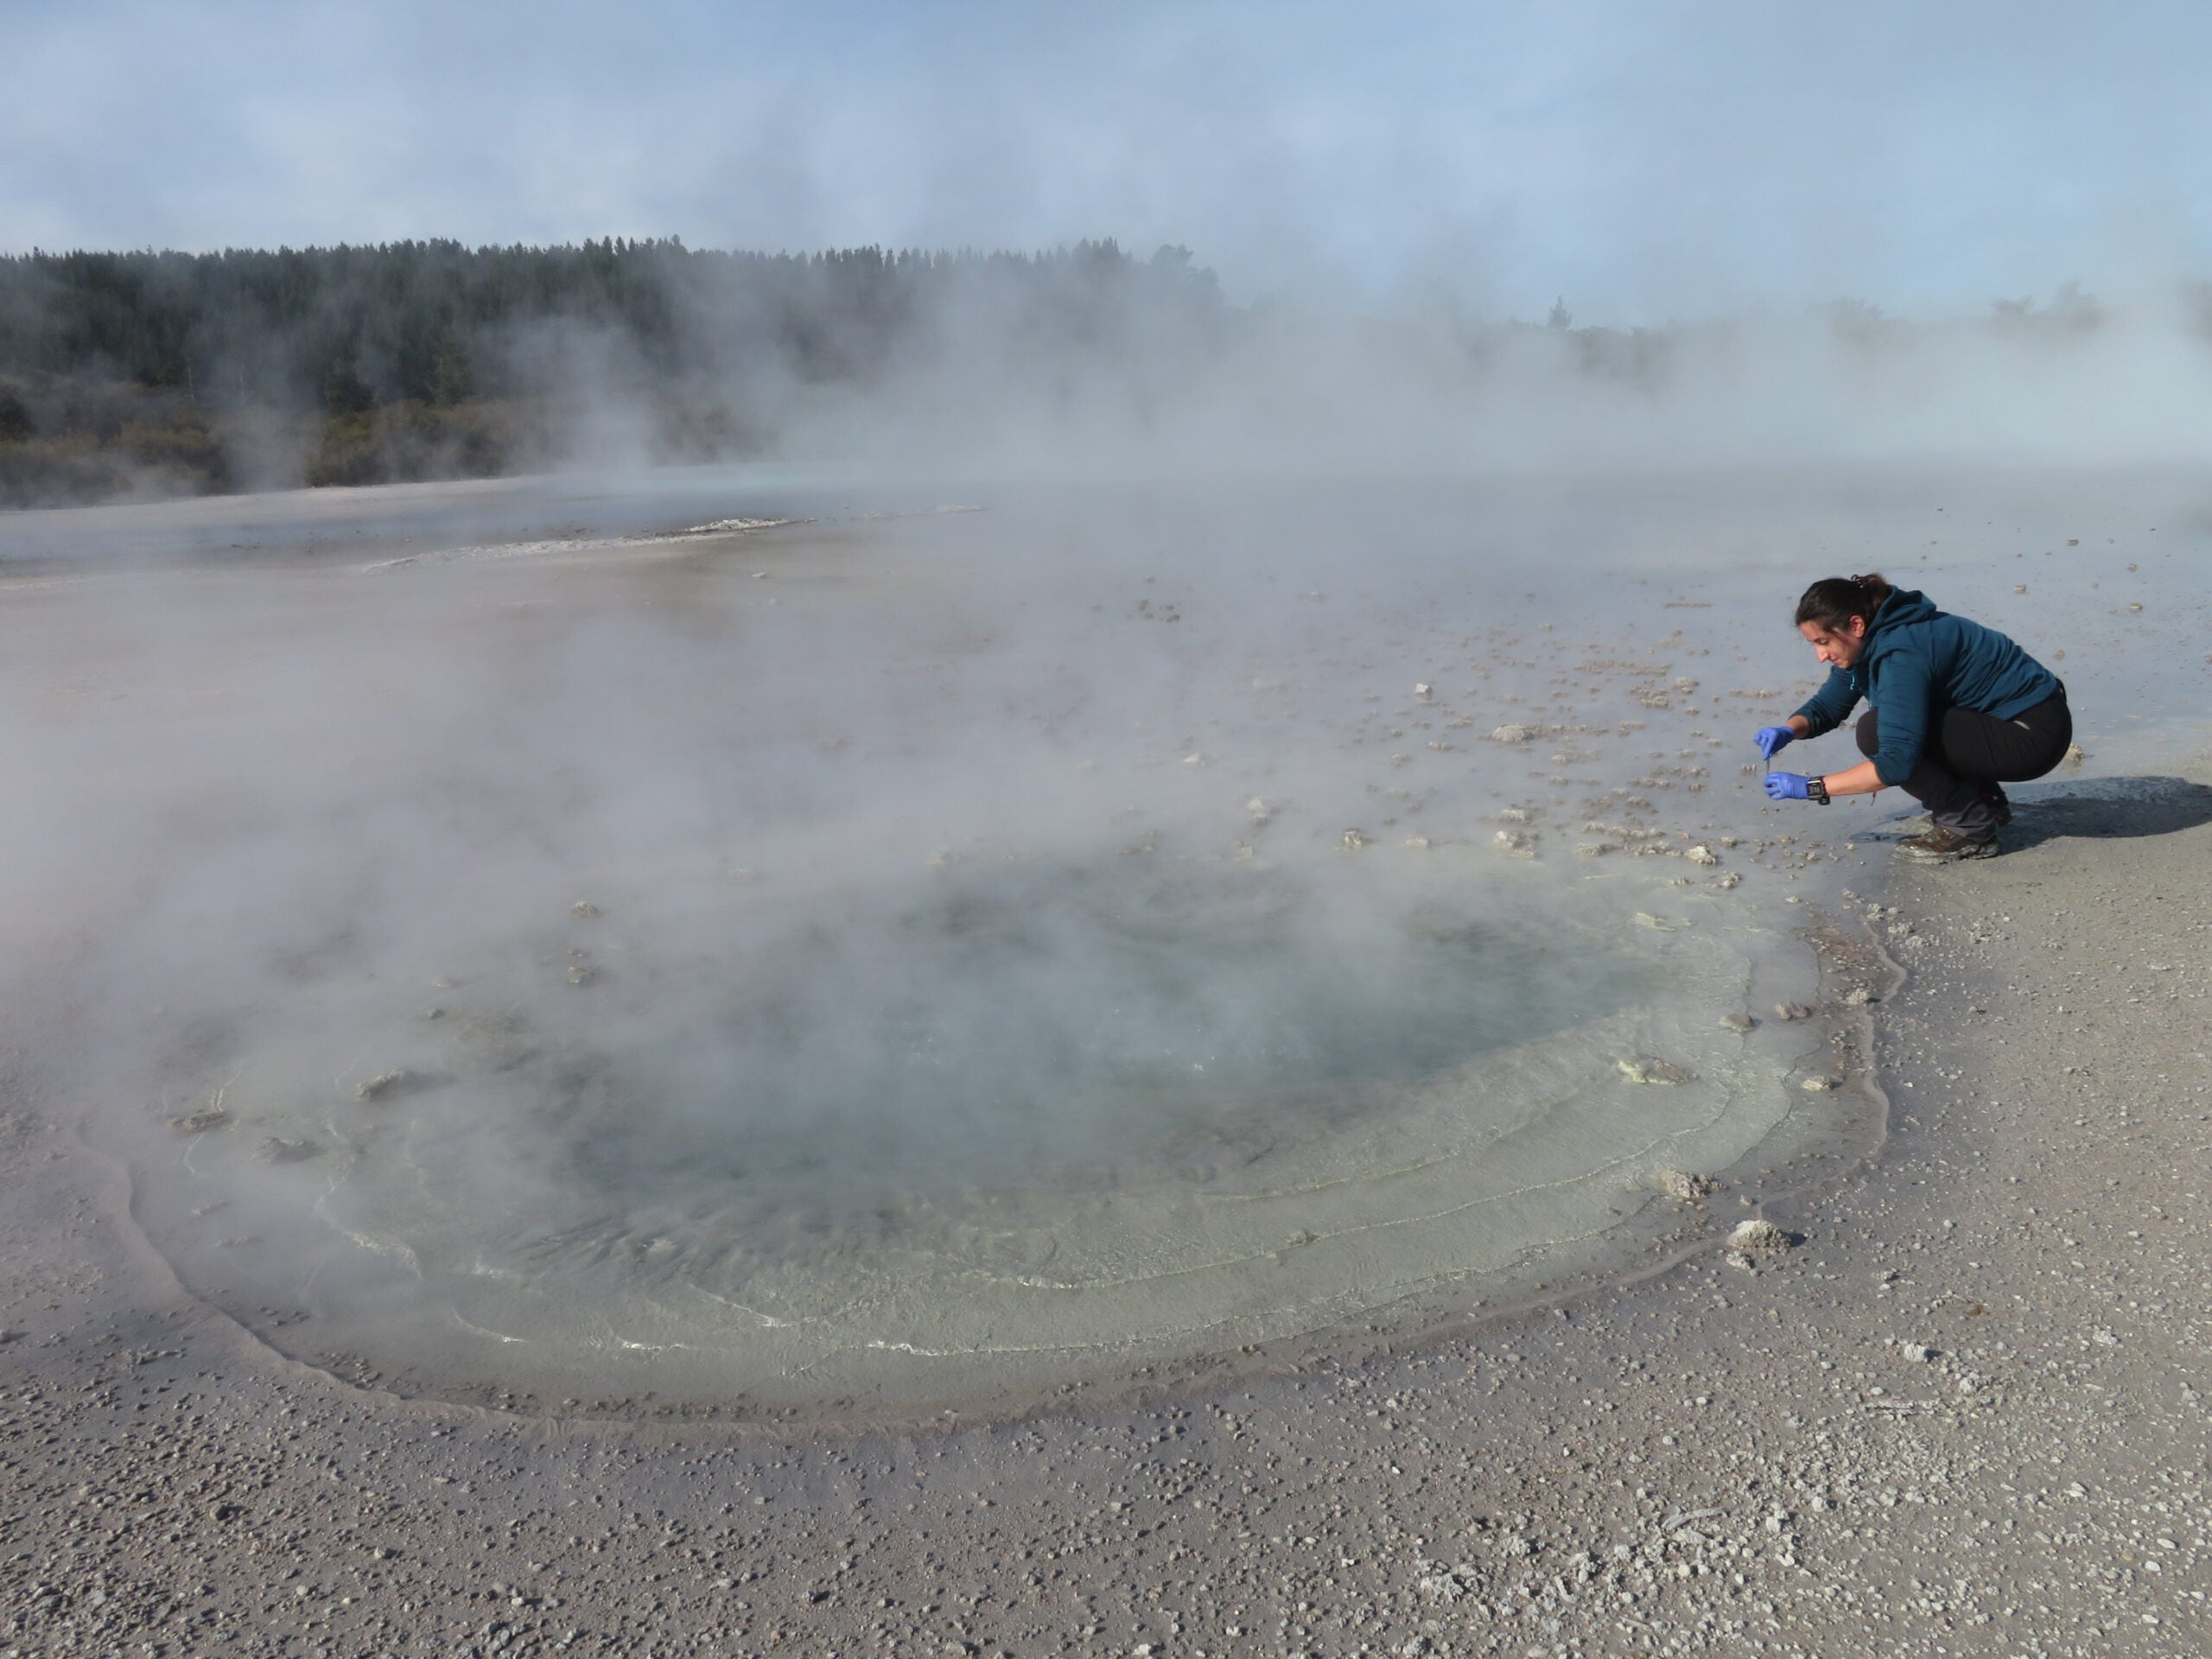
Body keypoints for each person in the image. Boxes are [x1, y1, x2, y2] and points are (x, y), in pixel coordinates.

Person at [1756, 573, 2071, 861]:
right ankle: (1984, 801)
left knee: (1875, 731)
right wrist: (1787, 729)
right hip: (2014, 723)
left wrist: (1812, 787)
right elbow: (1828, 706)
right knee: (1896, 721)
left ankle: (1969, 828)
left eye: (1823, 642)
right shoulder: (1875, 636)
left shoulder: (1901, 652)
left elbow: (1896, 762)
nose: (1820, 655)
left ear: (1855, 625)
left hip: (2032, 736)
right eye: (1814, 645)